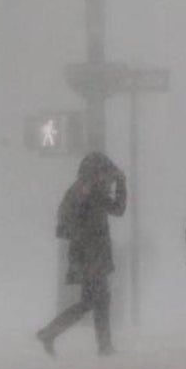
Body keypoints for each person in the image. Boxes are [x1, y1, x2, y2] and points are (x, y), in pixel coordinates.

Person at [37, 152, 127, 357]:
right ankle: (104, 347)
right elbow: (118, 209)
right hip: (92, 253)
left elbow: (65, 225)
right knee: (100, 299)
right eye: (106, 175)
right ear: (98, 173)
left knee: (90, 301)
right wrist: (122, 184)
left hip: (85, 253)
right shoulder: (92, 191)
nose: (108, 180)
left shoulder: (78, 189)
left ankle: (51, 333)